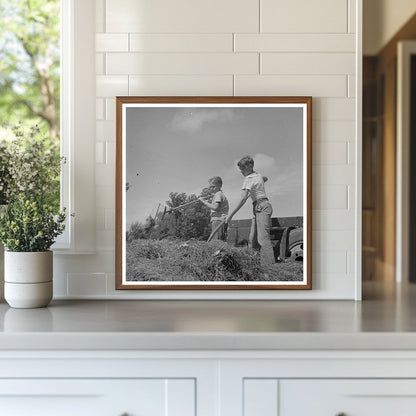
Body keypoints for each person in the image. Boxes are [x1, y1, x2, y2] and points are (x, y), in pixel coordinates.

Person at [226, 155, 275, 265]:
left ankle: (270, 268)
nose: (241, 171)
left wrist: (231, 215)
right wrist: (259, 183)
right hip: (259, 206)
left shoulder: (248, 179)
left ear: (249, 166)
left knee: (263, 239)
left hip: (261, 206)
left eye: (242, 169)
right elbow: (265, 178)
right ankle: (254, 265)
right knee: (252, 240)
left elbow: (243, 198)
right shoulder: (257, 175)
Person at [198, 176, 229, 241]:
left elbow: (215, 207)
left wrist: (203, 201)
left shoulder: (218, 194)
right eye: (210, 187)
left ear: (219, 186)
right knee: (218, 241)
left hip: (218, 220)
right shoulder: (218, 194)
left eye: (213, 186)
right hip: (219, 220)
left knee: (216, 242)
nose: (211, 188)